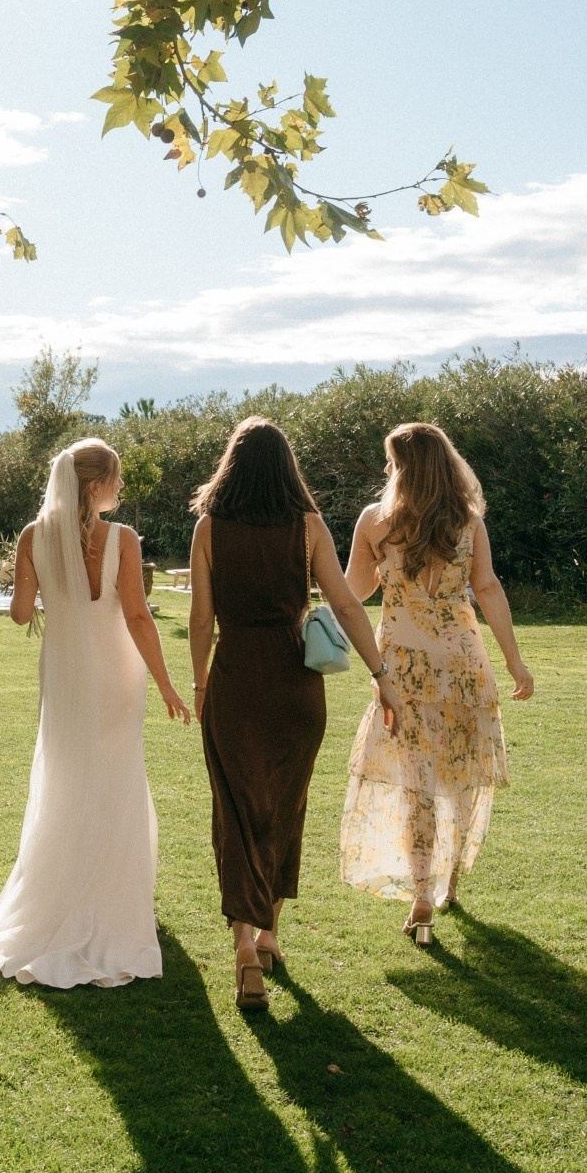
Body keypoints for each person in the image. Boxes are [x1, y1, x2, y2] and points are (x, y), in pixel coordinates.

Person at [0, 438, 188, 991]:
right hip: (115, 675)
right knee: (115, 778)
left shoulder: (34, 538)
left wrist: (42, 591)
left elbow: (17, 614)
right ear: (94, 485)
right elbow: (136, 615)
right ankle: (110, 901)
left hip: (64, 676)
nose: (122, 488)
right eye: (117, 479)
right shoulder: (123, 540)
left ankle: (62, 894)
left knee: (67, 775)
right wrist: (166, 684)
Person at [186, 418, 398, 1013]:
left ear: (231, 466)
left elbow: (202, 620)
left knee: (235, 811)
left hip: (235, 680)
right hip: (295, 686)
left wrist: (201, 682)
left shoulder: (208, 528)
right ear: (288, 469)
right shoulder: (308, 527)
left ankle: (244, 953)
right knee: (284, 805)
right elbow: (348, 604)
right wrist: (382, 678)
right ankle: (271, 934)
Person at [340, 422, 536, 947]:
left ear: (403, 466)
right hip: (464, 667)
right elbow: (488, 589)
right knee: (461, 776)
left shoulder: (375, 522)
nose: (387, 470)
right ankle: (447, 881)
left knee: (416, 785)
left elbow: (354, 591)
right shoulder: (467, 522)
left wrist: (322, 591)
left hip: (401, 671)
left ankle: (422, 895)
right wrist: (516, 663)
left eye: (392, 462)